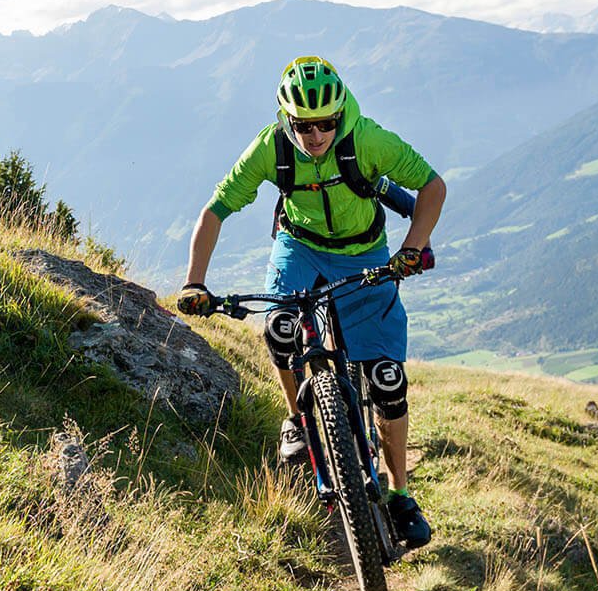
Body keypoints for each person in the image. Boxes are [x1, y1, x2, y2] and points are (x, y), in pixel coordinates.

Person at [175, 55, 445, 550]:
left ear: (340, 116)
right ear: (287, 118)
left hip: (363, 253)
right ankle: (298, 421)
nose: (315, 135)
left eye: (325, 124)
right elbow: (216, 209)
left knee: (387, 381)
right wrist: (195, 281)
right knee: (278, 327)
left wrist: (411, 247)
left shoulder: (367, 139)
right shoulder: (272, 146)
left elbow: (432, 185)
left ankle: (401, 494)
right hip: (297, 247)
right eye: (304, 125)